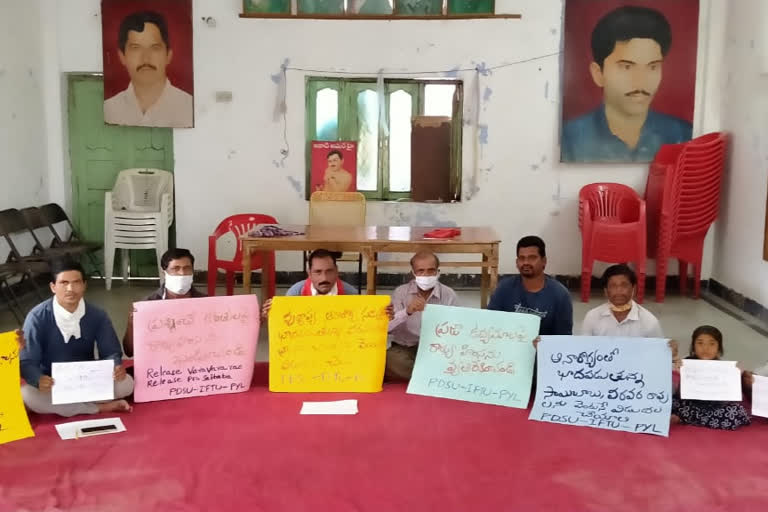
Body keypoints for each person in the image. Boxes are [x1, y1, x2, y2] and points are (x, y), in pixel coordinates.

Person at [561, 5, 692, 163]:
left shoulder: (684, 135)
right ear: (598, 74)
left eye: (652, 66)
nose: (641, 80)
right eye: (627, 67)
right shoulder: (568, 140)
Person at [19, 259, 133, 417]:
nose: (70, 289)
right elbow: (27, 360)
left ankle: (72, 406)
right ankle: (99, 407)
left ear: (84, 285)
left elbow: (111, 351)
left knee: (126, 384)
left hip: (87, 379)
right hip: (53, 383)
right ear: (53, 287)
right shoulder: (37, 317)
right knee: (26, 394)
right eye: (64, 283)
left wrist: (116, 367)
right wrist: (37, 379)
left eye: (76, 282)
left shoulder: (97, 315)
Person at [104, 11, 193, 128]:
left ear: (168, 55)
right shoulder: (108, 110)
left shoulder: (190, 108)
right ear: (122, 56)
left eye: (155, 48)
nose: (146, 58)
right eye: (135, 48)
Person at [386, 251, 458, 381]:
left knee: (456, 359)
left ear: (438, 272)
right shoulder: (401, 292)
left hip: (437, 348)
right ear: (413, 273)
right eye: (420, 271)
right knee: (390, 360)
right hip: (405, 348)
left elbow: (458, 327)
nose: (426, 275)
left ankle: (421, 377)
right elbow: (387, 327)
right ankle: (432, 377)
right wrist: (407, 312)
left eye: (431, 270)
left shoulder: (449, 294)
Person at [123, 248, 205, 357]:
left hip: (198, 365)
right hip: (162, 370)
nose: (182, 273)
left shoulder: (206, 303)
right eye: (176, 268)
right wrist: (131, 324)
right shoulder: (148, 305)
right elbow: (130, 352)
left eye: (187, 268)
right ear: (164, 272)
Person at [488, 236, 573, 336]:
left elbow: (564, 337)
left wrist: (543, 345)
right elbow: (490, 324)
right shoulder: (503, 289)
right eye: (521, 258)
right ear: (516, 262)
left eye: (532, 258)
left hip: (543, 350)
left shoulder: (560, 295)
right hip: (510, 348)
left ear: (544, 261)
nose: (526, 262)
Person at [671, 325, 750, 430]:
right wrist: (678, 366)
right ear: (693, 346)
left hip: (713, 408)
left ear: (719, 348)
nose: (706, 348)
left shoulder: (723, 368)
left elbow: (724, 399)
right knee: (669, 402)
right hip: (689, 404)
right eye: (700, 343)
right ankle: (687, 417)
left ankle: (685, 418)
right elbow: (681, 394)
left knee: (735, 412)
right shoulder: (687, 363)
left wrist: (736, 378)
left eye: (712, 344)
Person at [261, 249, 359, 318]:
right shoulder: (296, 294)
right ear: (309, 273)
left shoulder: (351, 294)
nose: (324, 278)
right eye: (318, 272)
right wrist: (274, 315)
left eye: (329, 271)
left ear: (337, 271)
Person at [581, 264, 662, 337]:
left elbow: (658, 351)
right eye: (613, 286)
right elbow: (584, 349)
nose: (619, 290)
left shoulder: (649, 322)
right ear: (606, 291)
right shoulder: (592, 317)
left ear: (634, 289)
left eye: (624, 285)